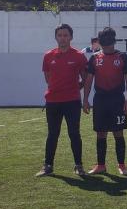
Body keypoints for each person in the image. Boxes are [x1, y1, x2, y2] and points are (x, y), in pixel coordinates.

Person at [37, 24, 88, 177]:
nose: (63, 38)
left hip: (72, 101)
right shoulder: (48, 56)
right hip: (53, 101)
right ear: (56, 37)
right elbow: (48, 78)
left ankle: (79, 166)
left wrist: (74, 89)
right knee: (52, 134)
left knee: (74, 134)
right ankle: (48, 165)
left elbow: (84, 78)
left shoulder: (79, 56)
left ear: (71, 37)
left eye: (66, 35)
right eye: (60, 35)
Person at [82, 27, 127, 175]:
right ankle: (101, 165)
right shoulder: (94, 58)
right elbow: (89, 80)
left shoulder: (122, 57)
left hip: (117, 99)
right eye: (104, 42)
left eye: (109, 41)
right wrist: (85, 99)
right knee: (101, 133)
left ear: (114, 41)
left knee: (118, 132)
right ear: (100, 42)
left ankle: (122, 165)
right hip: (100, 100)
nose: (107, 45)